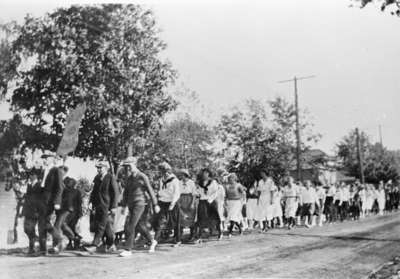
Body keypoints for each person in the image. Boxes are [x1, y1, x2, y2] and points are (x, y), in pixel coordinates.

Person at [119, 157, 160, 257]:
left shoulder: (142, 176)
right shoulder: (129, 178)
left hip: (140, 203)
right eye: (125, 166)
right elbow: (126, 193)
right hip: (131, 204)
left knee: (130, 224)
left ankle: (128, 249)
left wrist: (155, 204)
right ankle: (152, 240)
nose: (127, 168)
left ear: (134, 164)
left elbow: (150, 190)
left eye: (129, 166)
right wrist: (124, 206)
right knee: (139, 225)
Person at [87, 161, 119, 253]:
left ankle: (94, 245)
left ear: (106, 168)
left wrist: (113, 206)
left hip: (107, 205)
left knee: (101, 226)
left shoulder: (110, 177)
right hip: (98, 205)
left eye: (100, 167)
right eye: (97, 168)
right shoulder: (96, 178)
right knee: (106, 226)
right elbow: (94, 192)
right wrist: (91, 203)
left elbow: (115, 192)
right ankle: (111, 244)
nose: (98, 169)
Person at [41, 153, 68, 254]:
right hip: (43, 201)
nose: (44, 160)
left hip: (50, 201)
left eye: (46, 158)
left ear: (52, 159)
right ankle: (44, 248)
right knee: (43, 222)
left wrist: (57, 202)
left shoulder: (56, 170)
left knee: (45, 222)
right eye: (44, 158)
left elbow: (60, 187)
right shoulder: (45, 170)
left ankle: (59, 239)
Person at [154, 162, 181, 247]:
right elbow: (161, 190)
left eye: (164, 171)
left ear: (168, 171)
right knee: (159, 221)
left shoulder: (174, 180)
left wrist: (172, 204)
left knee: (175, 221)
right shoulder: (161, 180)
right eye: (161, 171)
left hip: (172, 202)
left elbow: (177, 193)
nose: (163, 173)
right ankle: (156, 239)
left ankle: (177, 240)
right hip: (162, 202)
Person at [193, 168, 222, 242]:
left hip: (210, 202)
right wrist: (197, 194)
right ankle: (199, 236)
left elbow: (216, 192)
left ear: (209, 174)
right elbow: (198, 191)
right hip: (202, 202)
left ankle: (219, 233)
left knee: (214, 217)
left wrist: (210, 199)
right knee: (201, 218)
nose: (204, 174)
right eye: (203, 173)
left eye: (206, 173)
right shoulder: (200, 183)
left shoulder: (213, 182)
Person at [23, 170, 46, 255]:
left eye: (32, 174)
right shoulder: (29, 185)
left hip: (36, 211)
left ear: (36, 176)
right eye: (30, 175)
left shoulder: (40, 186)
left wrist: (39, 211)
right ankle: (35, 240)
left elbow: (41, 200)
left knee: (31, 228)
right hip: (28, 211)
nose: (30, 176)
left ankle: (32, 248)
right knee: (26, 229)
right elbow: (27, 199)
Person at [59, 177, 83, 250]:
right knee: (67, 227)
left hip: (74, 213)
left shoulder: (76, 192)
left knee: (71, 227)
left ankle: (74, 242)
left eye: (68, 183)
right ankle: (75, 240)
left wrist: (80, 213)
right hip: (66, 213)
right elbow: (62, 202)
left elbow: (79, 203)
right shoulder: (64, 191)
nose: (67, 184)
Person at [177, 169, 198, 241]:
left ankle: (192, 235)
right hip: (181, 199)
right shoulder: (179, 182)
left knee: (191, 218)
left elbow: (194, 194)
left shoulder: (191, 182)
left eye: (182, 175)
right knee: (181, 218)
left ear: (185, 175)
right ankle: (179, 236)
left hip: (189, 199)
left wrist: (192, 203)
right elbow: (177, 193)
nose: (181, 176)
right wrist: (178, 202)